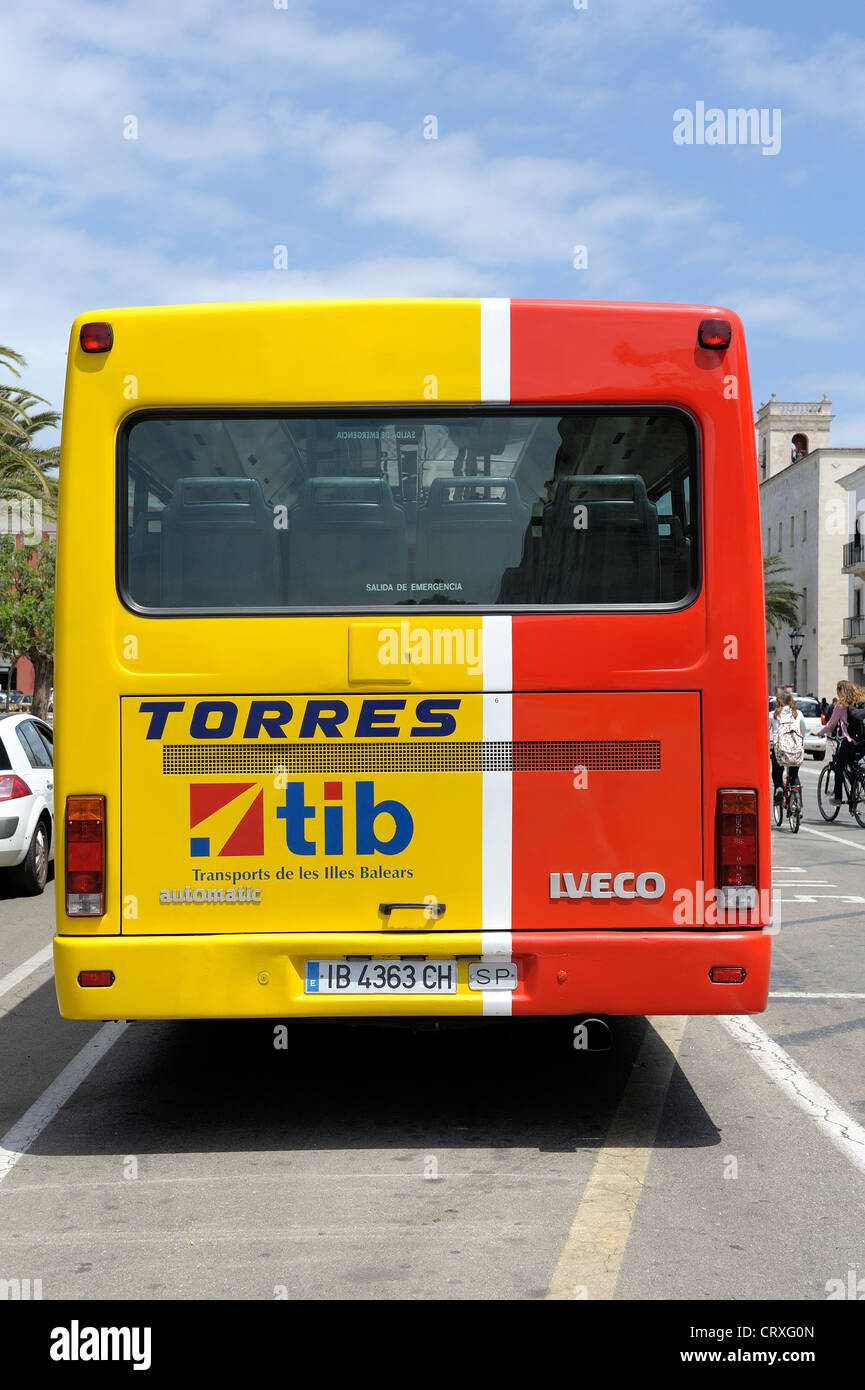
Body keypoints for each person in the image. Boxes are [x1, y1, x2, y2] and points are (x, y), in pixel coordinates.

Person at [815, 680, 865, 803]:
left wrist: (819, 733)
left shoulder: (841, 706)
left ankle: (838, 797)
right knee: (856, 767)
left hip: (850, 741)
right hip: (863, 741)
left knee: (839, 766)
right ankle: (856, 788)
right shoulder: (861, 702)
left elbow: (831, 726)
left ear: (840, 691)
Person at [770, 691, 805, 806]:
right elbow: (803, 730)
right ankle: (798, 801)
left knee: (776, 772)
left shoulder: (773, 715)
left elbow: (766, 732)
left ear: (778, 701)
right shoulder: (798, 714)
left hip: (779, 750)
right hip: (795, 750)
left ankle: (779, 787)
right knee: (794, 776)